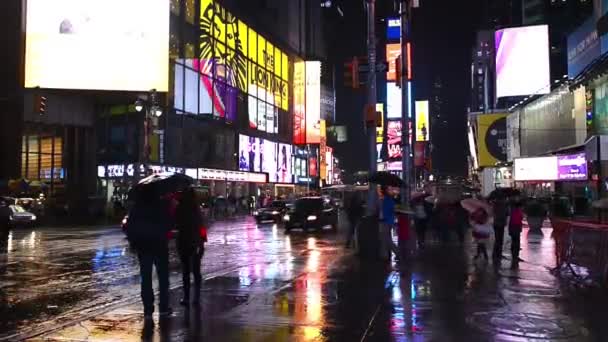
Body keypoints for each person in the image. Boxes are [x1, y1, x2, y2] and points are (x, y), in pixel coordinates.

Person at [125, 185, 174, 319]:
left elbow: (130, 226)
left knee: (145, 278)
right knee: (163, 278)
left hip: (144, 246)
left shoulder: (137, 207)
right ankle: (163, 307)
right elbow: (169, 224)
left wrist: (134, 242)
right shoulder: (161, 206)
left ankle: (148, 309)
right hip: (159, 245)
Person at [175, 187, 205, 306]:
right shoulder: (196, 209)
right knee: (196, 271)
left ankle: (186, 297)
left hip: (183, 242)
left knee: (186, 271)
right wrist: (202, 241)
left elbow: (175, 224)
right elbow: (201, 226)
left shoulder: (179, 208)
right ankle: (196, 297)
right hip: (196, 243)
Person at [379, 186, 399, 262]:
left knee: (386, 239)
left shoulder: (386, 200)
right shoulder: (389, 200)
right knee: (385, 239)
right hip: (389, 221)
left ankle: (398, 253)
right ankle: (384, 255)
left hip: (386, 221)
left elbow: (385, 212)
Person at [508, 201, 524, 268]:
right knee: (516, 242)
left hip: (514, 228)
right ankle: (515, 256)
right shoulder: (517, 212)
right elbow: (518, 220)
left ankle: (514, 256)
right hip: (515, 228)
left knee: (514, 242)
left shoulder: (514, 212)